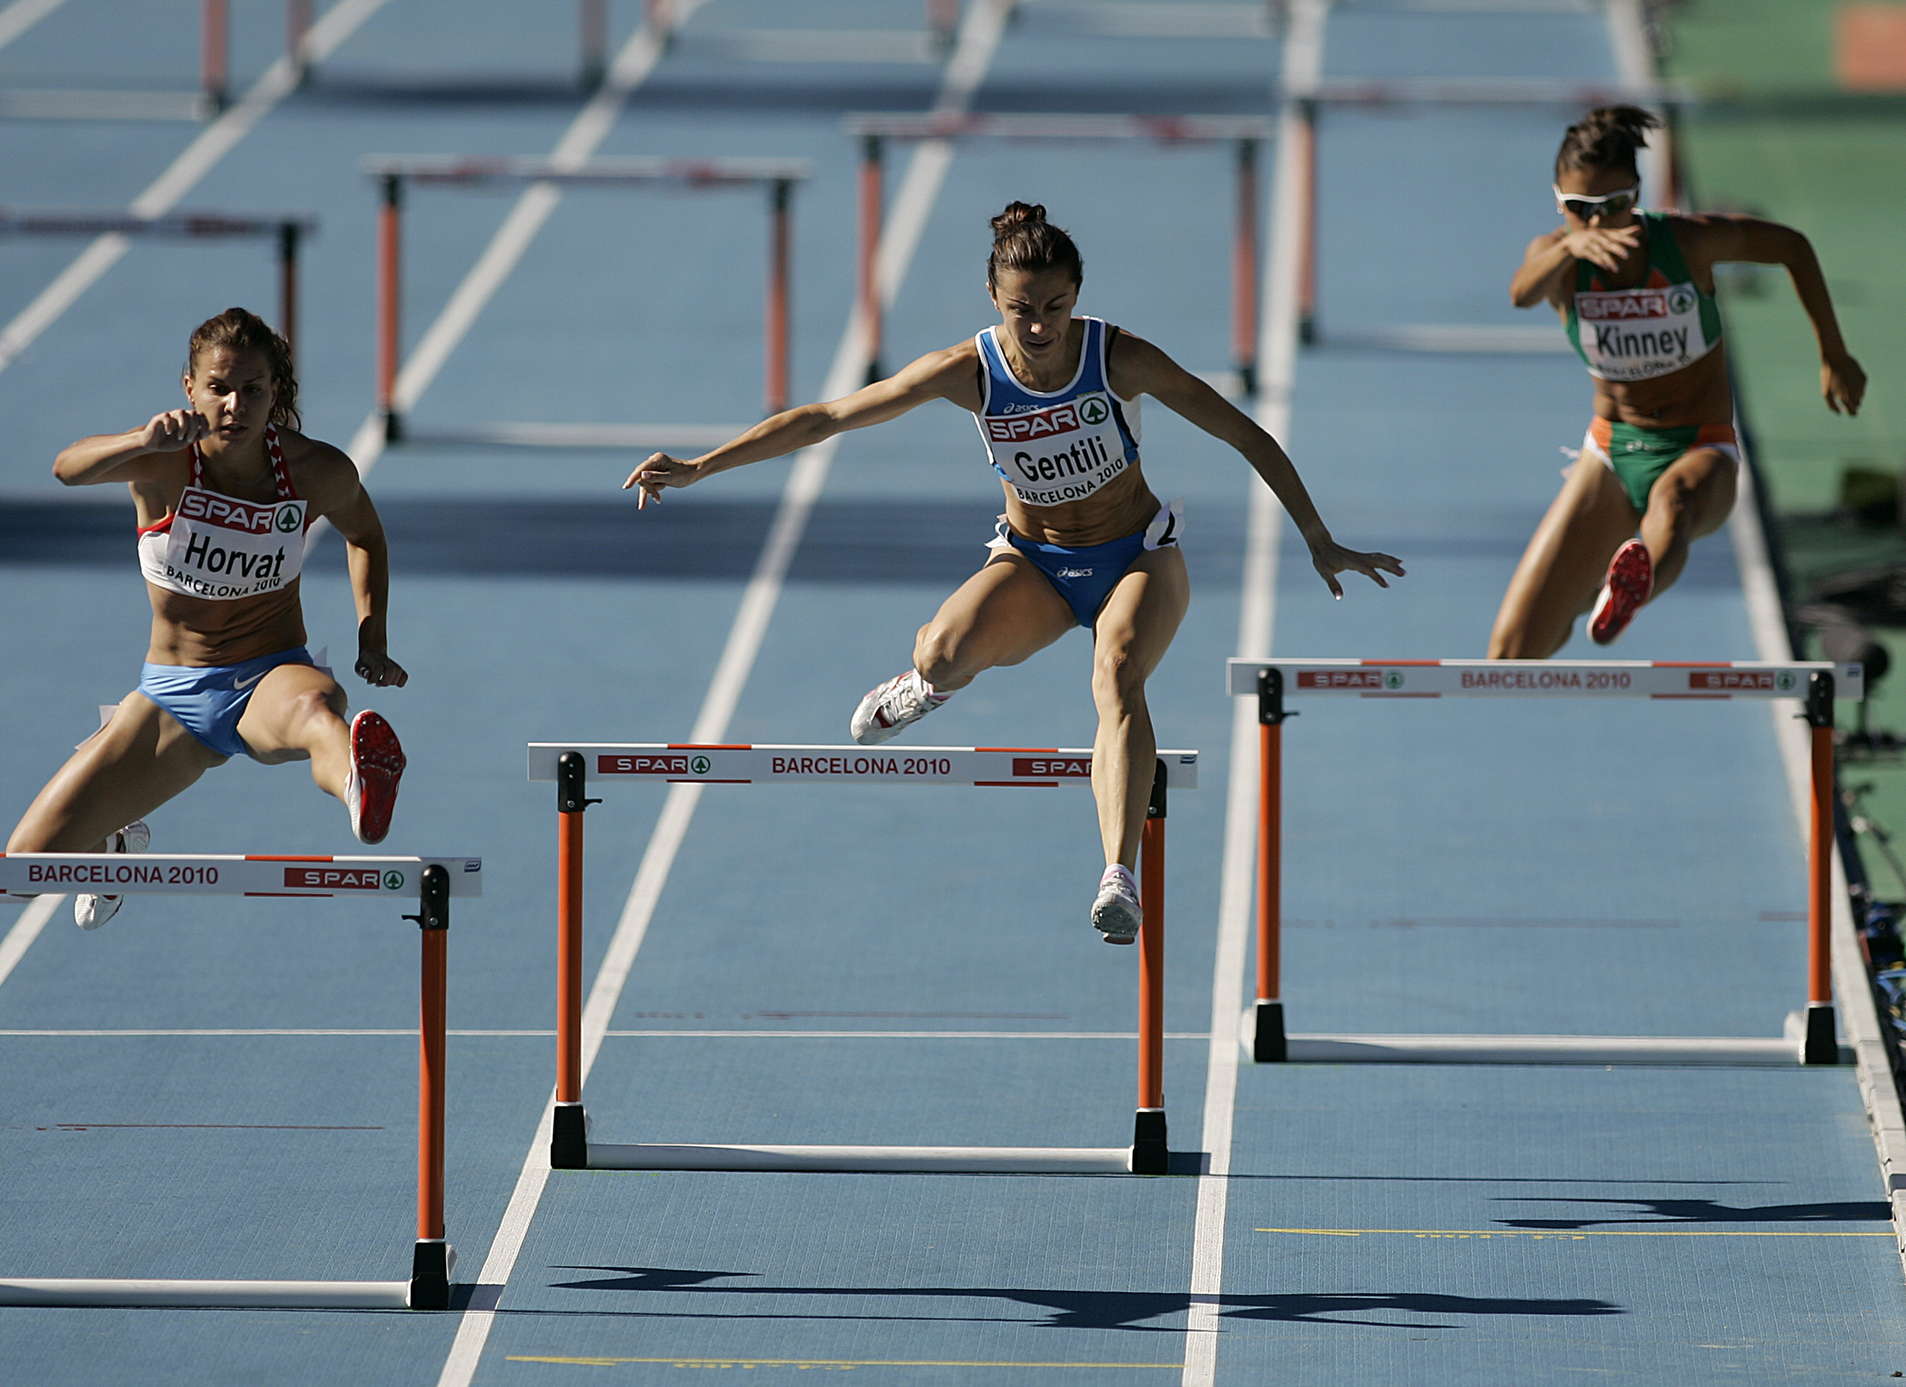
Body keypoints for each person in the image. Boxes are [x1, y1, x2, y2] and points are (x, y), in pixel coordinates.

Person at [626, 202, 1402, 944]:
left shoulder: (1118, 358)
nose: (1038, 327)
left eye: (1055, 308)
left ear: (1078, 296)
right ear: (993, 297)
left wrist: (1318, 537)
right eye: (1021, 309)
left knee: (1119, 672)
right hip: (1036, 565)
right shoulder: (968, 371)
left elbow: (1245, 433)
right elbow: (826, 418)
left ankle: (1117, 876)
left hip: (1137, 557)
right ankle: (926, 686)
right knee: (940, 652)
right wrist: (700, 466)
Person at [5, 307, 408, 928]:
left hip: (270, 675)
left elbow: (367, 536)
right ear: (189, 388)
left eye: (253, 390)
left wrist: (371, 638)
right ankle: (112, 840)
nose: (235, 406)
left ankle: (361, 783)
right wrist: (140, 441)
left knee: (316, 712)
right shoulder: (160, 459)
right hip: (171, 696)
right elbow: (67, 467)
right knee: (21, 870)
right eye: (219, 388)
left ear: (275, 392)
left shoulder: (314, 470)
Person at [1491, 105, 1866, 656]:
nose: (1597, 225)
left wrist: (1833, 351)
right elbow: (1520, 293)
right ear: (1558, 202)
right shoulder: (1555, 258)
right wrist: (1569, 248)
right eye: (1579, 209)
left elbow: (1791, 246)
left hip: (1699, 447)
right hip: (1613, 451)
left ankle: (1625, 594)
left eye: (1614, 206)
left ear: (1637, 196)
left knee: (1675, 504)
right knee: (1511, 651)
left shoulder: (1688, 243)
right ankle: (1599, 594)